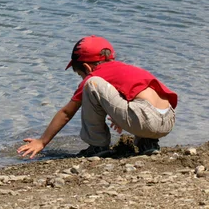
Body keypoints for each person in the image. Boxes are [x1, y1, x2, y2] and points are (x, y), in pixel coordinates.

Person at [17, 35, 177, 158]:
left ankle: (98, 146)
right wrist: (123, 117)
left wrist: (42, 141)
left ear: (86, 67)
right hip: (168, 120)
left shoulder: (95, 76)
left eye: (81, 74)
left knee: (92, 84)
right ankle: (147, 143)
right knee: (134, 98)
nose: (82, 78)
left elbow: (66, 113)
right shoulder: (124, 69)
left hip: (145, 119)